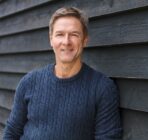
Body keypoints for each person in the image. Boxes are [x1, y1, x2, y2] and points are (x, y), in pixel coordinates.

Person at [3, 7, 122, 140]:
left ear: (85, 40)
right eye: (60, 34)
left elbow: (107, 137)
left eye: (74, 34)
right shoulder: (28, 82)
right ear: (51, 40)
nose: (66, 41)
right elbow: (12, 132)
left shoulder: (102, 87)